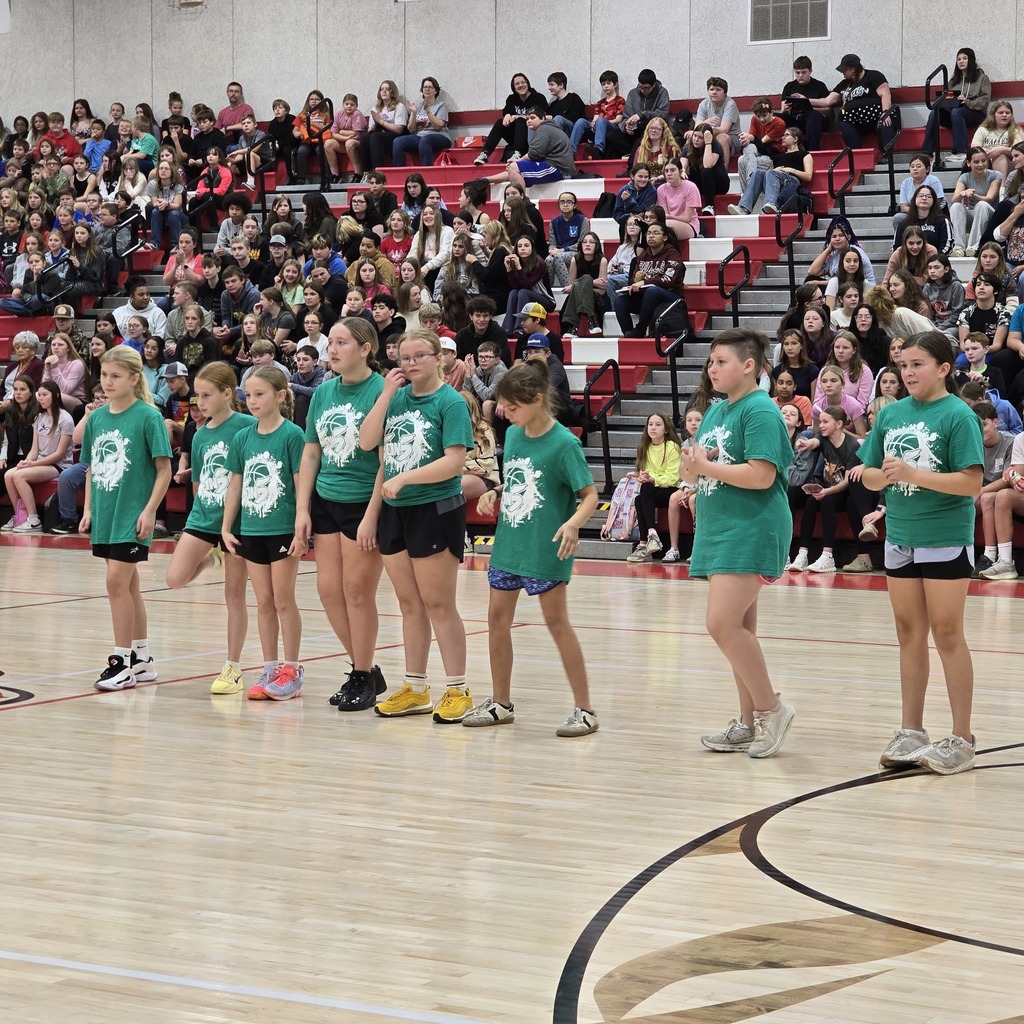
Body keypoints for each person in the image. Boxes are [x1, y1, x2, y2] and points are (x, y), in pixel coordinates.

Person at [859, 330, 984, 775]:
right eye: (903, 365)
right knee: (908, 633)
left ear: (944, 369)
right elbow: (872, 474)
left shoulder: (958, 416)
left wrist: (913, 472)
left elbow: (971, 483)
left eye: (918, 365)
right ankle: (911, 730)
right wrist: (879, 477)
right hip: (900, 536)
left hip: (945, 534)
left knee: (948, 634)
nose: (908, 373)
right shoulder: (890, 415)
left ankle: (963, 736)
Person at [463, 359, 599, 735]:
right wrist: (496, 492)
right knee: (496, 621)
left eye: (512, 406)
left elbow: (589, 495)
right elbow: (525, 479)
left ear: (537, 399)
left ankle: (585, 709)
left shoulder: (565, 444)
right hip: (510, 544)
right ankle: (501, 703)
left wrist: (572, 523)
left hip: (546, 547)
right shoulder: (518, 434)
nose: (504, 413)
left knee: (557, 624)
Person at [680, 328, 795, 758]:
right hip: (719, 524)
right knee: (740, 629)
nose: (712, 368)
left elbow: (762, 475)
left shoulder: (760, 411)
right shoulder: (713, 412)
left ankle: (772, 710)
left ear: (750, 366)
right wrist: (692, 470)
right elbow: (696, 468)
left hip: (752, 526)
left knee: (721, 624)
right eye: (710, 362)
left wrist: (707, 467)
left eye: (721, 361)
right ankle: (747, 723)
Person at [358, 328, 474, 723]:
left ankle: (457, 688)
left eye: (419, 356)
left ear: (438, 357)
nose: (409, 364)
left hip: (435, 508)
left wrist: (407, 478)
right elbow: (367, 442)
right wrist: (386, 394)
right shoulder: (396, 399)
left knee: (439, 604)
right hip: (395, 510)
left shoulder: (451, 402)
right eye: (403, 357)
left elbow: (454, 461)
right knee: (408, 605)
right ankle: (416, 688)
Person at [294, 318, 388, 711]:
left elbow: (387, 461)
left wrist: (371, 515)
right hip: (326, 499)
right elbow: (312, 451)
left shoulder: (383, 391)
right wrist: (303, 509)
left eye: (341, 342)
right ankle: (364, 669)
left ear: (366, 348)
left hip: (364, 502)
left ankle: (362, 674)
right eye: (329, 343)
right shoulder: (323, 393)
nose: (331, 350)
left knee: (357, 592)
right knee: (328, 590)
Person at [79, 346, 173, 690]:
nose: (108, 381)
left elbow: (164, 470)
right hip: (105, 512)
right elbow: (91, 468)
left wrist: (149, 511)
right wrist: (88, 509)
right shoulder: (98, 417)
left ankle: (121, 663)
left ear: (135, 379)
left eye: (115, 376)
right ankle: (143, 658)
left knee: (116, 583)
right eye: (104, 375)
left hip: (132, 515)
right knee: (129, 586)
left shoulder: (148, 417)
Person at [163, 361, 252, 693]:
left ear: (227, 393)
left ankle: (232, 667)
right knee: (174, 579)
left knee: (234, 595)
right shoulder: (199, 434)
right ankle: (212, 557)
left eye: (207, 395)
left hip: (239, 520)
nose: (200, 402)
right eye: (197, 395)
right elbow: (199, 484)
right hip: (204, 516)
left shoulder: (247, 426)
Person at [221, 365, 307, 701]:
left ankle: (292, 668)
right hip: (251, 529)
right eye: (250, 395)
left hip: (283, 527)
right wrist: (227, 527)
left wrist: (302, 527)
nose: (253, 401)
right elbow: (235, 486)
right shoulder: (243, 437)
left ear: (280, 396)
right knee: (264, 602)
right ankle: (270, 667)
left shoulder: (292, 436)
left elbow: (302, 485)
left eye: (260, 394)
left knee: (284, 600)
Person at [785, 405, 878, 573]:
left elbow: (848, 482)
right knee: (811, 502)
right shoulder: (824, 438)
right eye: (820, 421)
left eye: (825, 422)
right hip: (827, 487)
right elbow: (815, 441)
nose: (821, 425)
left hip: (843, 491)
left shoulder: (852, 446)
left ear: (839, 424)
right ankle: (802, 554)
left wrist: (826, 491)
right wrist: (807, 443)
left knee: (826, 501)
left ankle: (828, 556)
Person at [2, 381, 74, 533]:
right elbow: (35, 449)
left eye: (44, 395)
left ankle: (34, 519)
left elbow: (59, 454)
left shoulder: (65, 419)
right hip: (40, 462)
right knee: (9, 474)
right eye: (39, 395)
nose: (41, 398)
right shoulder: (39, 417)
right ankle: (20, 516)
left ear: (55, 395)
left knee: (19, 476)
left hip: (58, 465)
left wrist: (33, 465)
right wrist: (27, 461)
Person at [624, 412, 682, 563]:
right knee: (640, 497)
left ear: (666, 429)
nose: (653, 428)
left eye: (658, 424)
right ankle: (648, 540)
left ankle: (646, 542)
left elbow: (673, 478)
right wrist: (639, 475)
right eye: (650, 424)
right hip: (654, 489)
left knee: (645, 491)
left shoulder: (672, 447)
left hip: (672, 489)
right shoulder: (645, 447)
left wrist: (652, 480)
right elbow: (648, 473)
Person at [612, 221, 685, 338]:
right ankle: (628, 334)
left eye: (656, 233)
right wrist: (636, 280)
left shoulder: (672, 254)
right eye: (649, 233)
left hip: (672, 297)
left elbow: (668, 280)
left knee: (652, 291)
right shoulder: (643, 256)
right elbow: (633, 283)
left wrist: (644, 282)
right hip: (647, 298)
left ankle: (640, 329)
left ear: (664, 237)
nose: (651, 236)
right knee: (620, 301)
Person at [922, 47, 991, 165]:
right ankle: (927, 153)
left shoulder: (982, 78)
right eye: (958, 59)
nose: (961, 61)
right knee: (935, 113)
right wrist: (943, 103)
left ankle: (961, 152)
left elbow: (985, 101)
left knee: (957, 112)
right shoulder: (954, 80)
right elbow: (948, 98)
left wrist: (967, 102)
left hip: (976, 113)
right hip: (955, 113)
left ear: (971, 60)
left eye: (965, 58)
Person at [484, 108, 575, 193]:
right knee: (514, 169)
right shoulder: (548, 128)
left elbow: (534, 154)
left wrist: (518, 160)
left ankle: (522, 203)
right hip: (558, 167)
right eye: (527, 119)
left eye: (532, 118)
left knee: (514, 167)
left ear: (542, 118)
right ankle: (486, 179)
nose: (529, 121)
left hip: (559, 170)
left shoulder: (543, 130)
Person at [727, 126, 813, 216]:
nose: (783, 138)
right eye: (783, 135)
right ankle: (744, 208)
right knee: (758, 172)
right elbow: (761, 147)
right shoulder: (778, 155)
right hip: (776, 179)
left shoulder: (804, 154)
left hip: (792, 182)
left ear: (795, 139)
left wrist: (790, 170)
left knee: (771, 172)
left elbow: (808, 176)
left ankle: (772, 204)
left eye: (786, 135)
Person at [823, 53, 894, 150]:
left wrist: (886, 113)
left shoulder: (873, 76)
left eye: (844, 70)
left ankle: (886, 155)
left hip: (877, 117)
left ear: (853, 69)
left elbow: (885, 93)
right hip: (855, 120)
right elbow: (828, 101)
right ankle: (857, 155)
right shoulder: (845, 84)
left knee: (885, 123)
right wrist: (806, 100)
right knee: (844, 125)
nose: (842, 73)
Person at [475, 73, 548, 165]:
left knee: (521, 120)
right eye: (517, 84)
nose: (520, 85)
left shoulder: (538, 98)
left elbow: (541, 116)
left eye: (523, 82)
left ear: (527, 83)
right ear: (513, 87)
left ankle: (518, 153)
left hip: (533, 135)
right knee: (499, 123)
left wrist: (516, 117)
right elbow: (507, 113)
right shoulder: (511, 99)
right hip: (516, 137)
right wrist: (507, 116)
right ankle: (485, 153)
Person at [948, 147, 1002, 256]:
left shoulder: (996, 175)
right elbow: (954, 199)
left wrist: (974, 196)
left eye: (983, 161)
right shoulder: (964, 177)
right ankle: (958, 247)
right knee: (956, 207)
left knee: (981, 205)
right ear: (969, 163)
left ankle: (974, 246)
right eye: (976, 162)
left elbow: (990, 198)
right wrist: (962, 194)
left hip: (990, 215)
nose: (980, 165)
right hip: (973, 214)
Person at [392, 77, 452, 166]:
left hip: (440, 136)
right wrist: (413, 112)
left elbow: (438, 126)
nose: (427, 89)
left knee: (425, 140)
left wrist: (428, 112)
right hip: (420, 137)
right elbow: (411, 130)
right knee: (398, 141)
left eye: (430, 87)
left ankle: (426, 173)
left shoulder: (441, 105)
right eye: (425, 87)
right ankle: (400, 172)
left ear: (436, 91)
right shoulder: (418, 105)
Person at [568, 70, 625, 158]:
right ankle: (571, 151)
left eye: (608, 83)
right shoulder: (600, 102)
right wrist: (594, 124)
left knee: (601, 120)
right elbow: (595, 118)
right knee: (581, 121)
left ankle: (598, 149)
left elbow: (619, 119)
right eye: (603, 84)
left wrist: (602, 122)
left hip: (612, 128)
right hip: (598, 127)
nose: (606, 86)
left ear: (615, 84)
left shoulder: (620, 100)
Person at [780, 55, 831, 150]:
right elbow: (782, 109)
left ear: (810, 71)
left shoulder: (820, 86)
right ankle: (774, 150)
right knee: (776, 117)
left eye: (804, 72)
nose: (800, 76)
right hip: (795, 119)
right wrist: (785, 109)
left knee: (813, 116)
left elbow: (829, 112)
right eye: (797, 73)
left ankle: (812, 151)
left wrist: (809, 106)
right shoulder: (789, 86)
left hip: (813, 120)